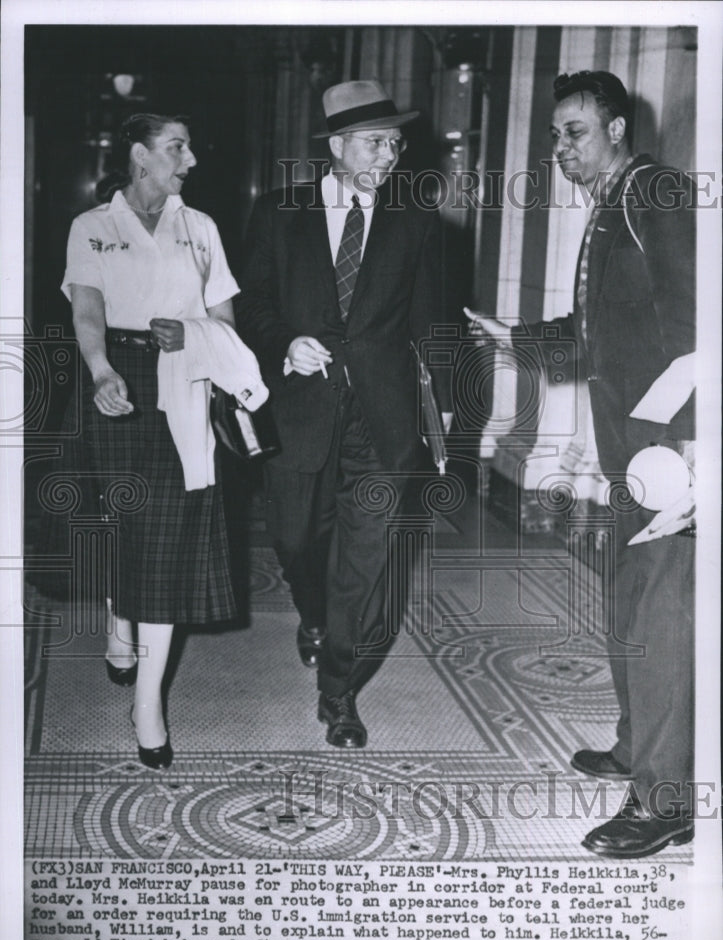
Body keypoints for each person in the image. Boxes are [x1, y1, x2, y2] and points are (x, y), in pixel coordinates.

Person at [467, 70, 696, 857]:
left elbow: (700, 322)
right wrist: (517, 339)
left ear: (616, 129)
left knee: (666, 617)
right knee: (631, 600)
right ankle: (638, 748)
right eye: (555, 134)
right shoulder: (611, 207)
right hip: (632, 451)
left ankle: (664, 800)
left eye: (572, 131)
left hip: (672, 453)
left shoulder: (655, 193)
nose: (558, 148)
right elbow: (594, 331)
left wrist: (691, 451)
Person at [238, 80, 452, 748]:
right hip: (299, 411)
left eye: (394, 142)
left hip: (381, 420)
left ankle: (338, 695)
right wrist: (282, 343)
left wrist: (435, 416)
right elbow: (251, 305)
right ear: (335, 146)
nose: (387, 154)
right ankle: (311, 615)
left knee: (362, 563)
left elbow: (431, 328)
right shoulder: (280, 213)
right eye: (372, 141)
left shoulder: (418, 223)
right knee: (297, 541)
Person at [61, 113, 266, 768]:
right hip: (114, 380)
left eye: (188, 144)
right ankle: (120, 622)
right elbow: (86, 309)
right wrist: (100, 373)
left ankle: (146, 701)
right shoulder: (92, 227)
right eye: (177, 146)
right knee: (125, 522)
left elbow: (225, 318)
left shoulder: (200, 228)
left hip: (181, 381)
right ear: (139, 155)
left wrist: (193, 335)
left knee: (167, 539)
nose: (190, 159)